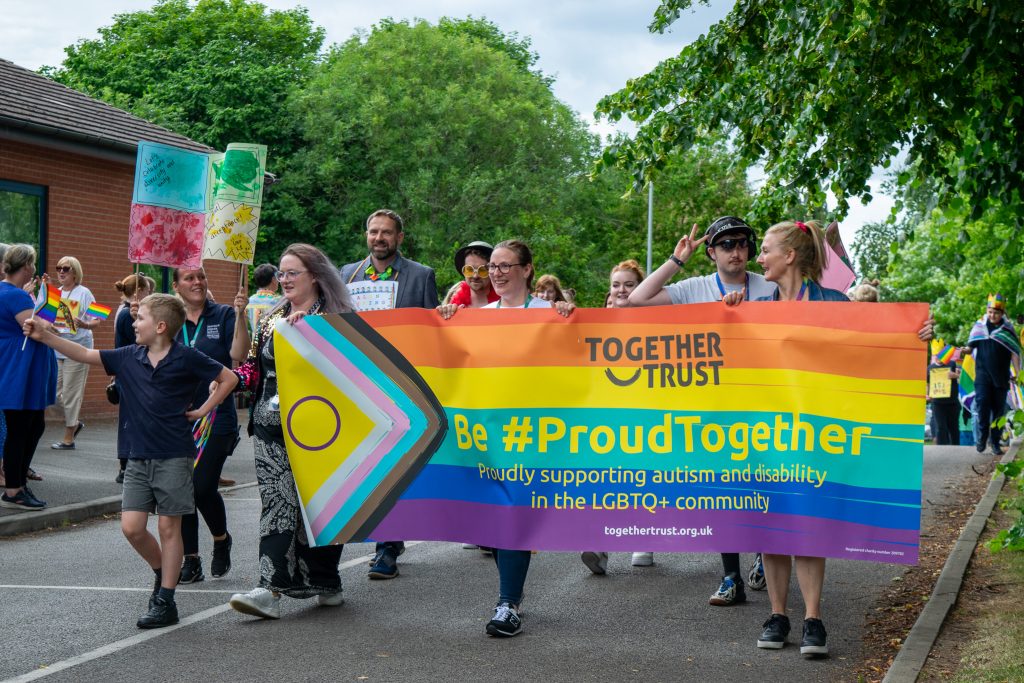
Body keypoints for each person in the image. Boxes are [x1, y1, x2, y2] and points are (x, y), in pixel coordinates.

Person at [25, 293, 237, 628]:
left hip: (174, 456)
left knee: (169, 528)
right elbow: (82, 352)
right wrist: (45, 335)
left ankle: (166, 600)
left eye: (140, 318)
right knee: (132, 528)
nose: (133, 323)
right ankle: (162, 572)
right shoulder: (127, 357)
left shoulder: (187, 357)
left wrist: (202, 410)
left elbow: (229, 378)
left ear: (161, 326)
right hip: (137, 458)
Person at [628, 216, 775, 601]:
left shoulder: (769, 288)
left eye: (743, 244)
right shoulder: (694, 287)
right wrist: (677, 260)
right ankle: (731, 577)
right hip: (713, 409)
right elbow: (637, 299)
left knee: (762, 487)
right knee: (723, 492)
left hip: (761, 405)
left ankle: (764, 555)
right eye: (727, 245)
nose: (736, 252)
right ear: (711, 252)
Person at [438, 239, 575, 637]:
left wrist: (568, 316)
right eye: (492, 266)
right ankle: (510, 591)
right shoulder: (477, 316)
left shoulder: (548, 313)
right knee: (492, 515)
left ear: (528, 269)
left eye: (504, 266)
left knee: (511, 510)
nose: (495, 273)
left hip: (534, 435)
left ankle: (507, 603)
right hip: (486, 433)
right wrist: (447, 319)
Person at [229, 244, 355, 619]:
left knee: (321, 504)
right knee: (278, 500)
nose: (283, 280)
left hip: (322, 430)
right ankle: (270, 587)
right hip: (270, 426)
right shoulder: (270, 319)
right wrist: (225, 380)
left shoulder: (337, 318)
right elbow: (252, 368)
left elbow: (351, 373)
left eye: (291, 273)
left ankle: (326, 579)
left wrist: (312, 334)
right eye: (281, 274)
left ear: (314, 276)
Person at [340, 209, 439, 579]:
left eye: (386, 233)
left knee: (394, 464)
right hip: (358, 384)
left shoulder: (420, 275)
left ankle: (386, 550)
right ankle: (388, 535)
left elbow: (431, 332)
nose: (378, 238)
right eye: (373, 231)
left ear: (400, 238)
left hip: (403, 385)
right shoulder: (345, 275)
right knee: (369, 463)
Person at [172, 266, 251, 585]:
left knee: (202, 486)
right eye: (189, 278)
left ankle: (221, 539)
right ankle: (191, 559)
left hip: (218, 417)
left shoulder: (222, 314)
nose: (197, 282)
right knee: (182, 490)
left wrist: (242, 316)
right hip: (179, 418)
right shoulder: (171, 318)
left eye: (200, 277)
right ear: (177, 286)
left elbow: (239, 354)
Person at [581, 259, 652, 572]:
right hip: (605, 414)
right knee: (605, 480)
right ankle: (599, 544)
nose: (621, 290)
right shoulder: (594, 326)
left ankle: (643, 539)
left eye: (629, 284)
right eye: (615, 285)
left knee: (642, 478)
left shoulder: (659, 325)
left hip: (647, 414)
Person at [1, 244, 57, 510]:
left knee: (31, 427)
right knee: (22, 430)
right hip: (20, 370)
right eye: (32, 264)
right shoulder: (15, 296)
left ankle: (18, 484)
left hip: (17, 368)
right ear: (27, 266)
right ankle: (14, 490)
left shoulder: (10, 292)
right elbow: (39, 326)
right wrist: (53, 298)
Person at [48, 256, 104, 450]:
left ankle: (69, 436)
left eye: (66, 269)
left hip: (78, 348)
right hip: (57, 346)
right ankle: (75, 422)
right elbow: (46, 318)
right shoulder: (55, 293)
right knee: (52, 393)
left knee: (72, 393)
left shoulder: (84, 292)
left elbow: (99, 318)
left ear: (75, 272)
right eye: (59, 268)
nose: (61, 272)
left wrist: (85, 323)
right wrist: (50, 327)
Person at [963, 294, 1020, 455]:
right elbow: (970, 347)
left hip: (1001, 377)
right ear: (986, 311)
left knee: (998, 410)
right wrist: (963, 351)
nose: (992, 315)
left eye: (995, 312)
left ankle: (995, 442)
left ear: (1001, 314)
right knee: (982, 405)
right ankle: (982, 437)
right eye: (989, 312)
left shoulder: (1008, 330)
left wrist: (1018, 372)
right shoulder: (980, 327)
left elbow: (1014, 352)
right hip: (982, 376)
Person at [113, 273, 156, 482]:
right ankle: (126, 464)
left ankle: (129, 462)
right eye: (147, 290)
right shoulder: (126, 316)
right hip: (131, 372)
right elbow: (139, 344)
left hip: (128, 372)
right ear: (139, 292)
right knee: (131, 420)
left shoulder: (126, 312)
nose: (150, 293)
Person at [447, 241, 498, 309]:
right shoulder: (455, 306)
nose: (475, 276)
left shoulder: (505, 302)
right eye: (469, 270)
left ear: (492, 271)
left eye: (482, 270)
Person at [928, 350, 961, 445]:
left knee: (953, 427)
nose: (939, 358)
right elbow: (928, 384)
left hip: (952, 402)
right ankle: (942, 449)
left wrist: (955, 375)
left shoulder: (952, 364)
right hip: (937, 403)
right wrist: (928, 394)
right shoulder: (930, 368)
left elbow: (962, 377)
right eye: (937, 356)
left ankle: (955, 448)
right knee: (941, 427)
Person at [246, 263, 281, 335]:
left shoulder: (249, 301)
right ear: (273, 279)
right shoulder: (280, 301)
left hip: (255, 343)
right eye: (277, 277)